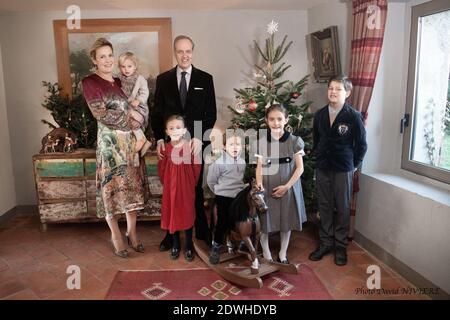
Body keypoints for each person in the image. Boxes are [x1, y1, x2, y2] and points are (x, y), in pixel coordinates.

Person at [81, 38, 146, 258]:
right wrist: (132, 122)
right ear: (94, 60)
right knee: (111, 189)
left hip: (129, 146)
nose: (108, 60)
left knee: (131, 188)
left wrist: (139, 124)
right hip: (109, 147)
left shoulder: (119, 82)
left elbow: (136, 106)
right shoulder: (90, 82)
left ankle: (132, 232)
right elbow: (102, 114)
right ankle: (116, 235)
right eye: (102, 56)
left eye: (110, 55)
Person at [151, 35, 217, 251]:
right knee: (171, 190)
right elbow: (157, 113)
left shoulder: (205, 79)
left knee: (195, 190)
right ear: (175, 53)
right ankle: (170, 236)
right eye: (180, 51)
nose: (184, 55)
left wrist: (198, 137)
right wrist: (160, 138)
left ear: (193, 52)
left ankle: (201, 230)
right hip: (171, 145)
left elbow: (210, 114)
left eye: (188, 50)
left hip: (195, 143)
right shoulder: (163, 80)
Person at [308, 75, 367, 266]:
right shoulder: (320, 114)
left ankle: (340, 246)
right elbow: (316, 140)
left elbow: (362, 145)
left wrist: (354, 164)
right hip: (323, 166)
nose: (333, 92)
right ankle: (325, 243)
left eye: (338, 89)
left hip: (343, 168)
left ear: (347, 93)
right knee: (324, 205)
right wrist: (318, 156)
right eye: (331, 88)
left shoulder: (353, 116)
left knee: (342, 207)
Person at [255, 104, 307, 264]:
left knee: (286, 222)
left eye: (279, 119)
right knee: (265, 223)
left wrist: (286, 187)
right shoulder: (261, 142)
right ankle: (267, 254)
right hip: (267, 189)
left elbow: (300, 168)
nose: (276, 123)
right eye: (272, 119)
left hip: (288, 188)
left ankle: (283, 254)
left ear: (286, 120)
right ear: (266, 121)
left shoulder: (295, 141)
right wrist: (259, 185)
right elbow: (258, 168)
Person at [157, 115, 202, 261]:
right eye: (171, 128)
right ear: (167, 131)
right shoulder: (166, 148)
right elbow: (162, 168)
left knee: (187, 212)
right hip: (170, 189)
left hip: (186, 188)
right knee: (172, 212)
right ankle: (176, 243)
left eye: (178, 127)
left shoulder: (189, 146)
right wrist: (166, 183)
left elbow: (196, 166)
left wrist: (191, 184)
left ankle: (188, 244)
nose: (175, 130)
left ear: (184, 130)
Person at [207, 131, 246, 264]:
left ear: (242, 147)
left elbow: (240, 180)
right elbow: (211, 181)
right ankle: (216, 246)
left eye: (237, 144)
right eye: (231, 144)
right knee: (222, 223)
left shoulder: (242, 162)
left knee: (240, 221)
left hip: (238, 197)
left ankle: (240, 242)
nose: (235, 147)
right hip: (223, 196)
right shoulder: (219, 163)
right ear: (224, 146)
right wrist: (218, 192)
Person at [117, 51, 151, 157]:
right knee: (125, 120)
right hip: (126, 107)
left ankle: (141, 138)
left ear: (135, 66)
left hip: (139, 107)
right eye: (123, 67)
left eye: (129, 66)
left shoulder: (140, 79)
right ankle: (142, 140)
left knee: (132, 119)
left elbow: (145, 92)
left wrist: (139, 100)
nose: (126, 69)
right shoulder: (119, 79)